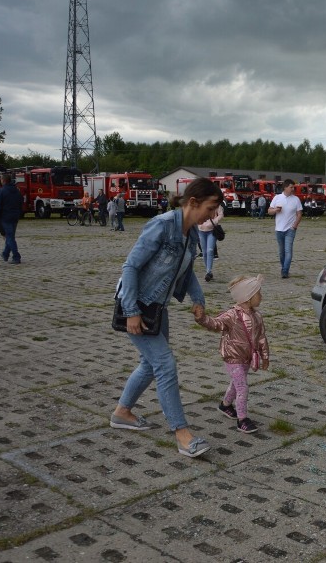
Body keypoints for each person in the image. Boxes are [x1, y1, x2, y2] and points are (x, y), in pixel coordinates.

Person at [109, 177, 224, 459]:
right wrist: (131, 311)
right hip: (137, 304)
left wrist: (198, 300)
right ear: (193, 203)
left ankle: (122, 413)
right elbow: (131, 266)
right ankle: (182, 434)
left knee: (150, 364)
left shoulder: (191, 233)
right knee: (164, 363)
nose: (213, 216)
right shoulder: (162, 225)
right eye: (210, 208)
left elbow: (186, 271)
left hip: (157, 307)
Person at [194, 274, 270, 434]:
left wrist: (265, 356)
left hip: (247, 358)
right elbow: (215, 324)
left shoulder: (257, 316)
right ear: (248, 297)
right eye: (258, 293)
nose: (261, 296)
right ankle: (242, 419)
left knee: (235, 384)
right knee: (242, 387)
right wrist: (202, 319)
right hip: (232, 358)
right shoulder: (232, 315)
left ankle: (225, 405)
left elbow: (262, 337)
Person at [268, 182, 302, 278]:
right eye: (291, 187)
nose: (293, 189)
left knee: (288, 251)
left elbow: (299, 214)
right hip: (279, 229)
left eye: (293, 187)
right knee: (281, 252)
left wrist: (294, 226)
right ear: (285, 187)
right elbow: (269, 211)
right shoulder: (277, 198)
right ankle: (283, 267)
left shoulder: (296, 199)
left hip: (290, 230)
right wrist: (275, 210)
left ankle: (285, 271)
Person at [0, 172, 22, 264]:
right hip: (15, 216)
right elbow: (21, 202)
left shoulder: (1, 191)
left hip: (5, 217)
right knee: (11, 236)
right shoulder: (17, 191)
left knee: (9, 237)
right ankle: (5, 254)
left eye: (1, 179)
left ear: (4, 180)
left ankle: (16, 256)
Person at [197, 203, 223, 282]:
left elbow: (221, 214)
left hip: (212, 230)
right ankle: (208, 271)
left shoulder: (216, 203)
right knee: (204, 252)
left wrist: (215, 221)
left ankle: (208, 271)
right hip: (201, 230)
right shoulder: (200, 202)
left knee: (210, 250)